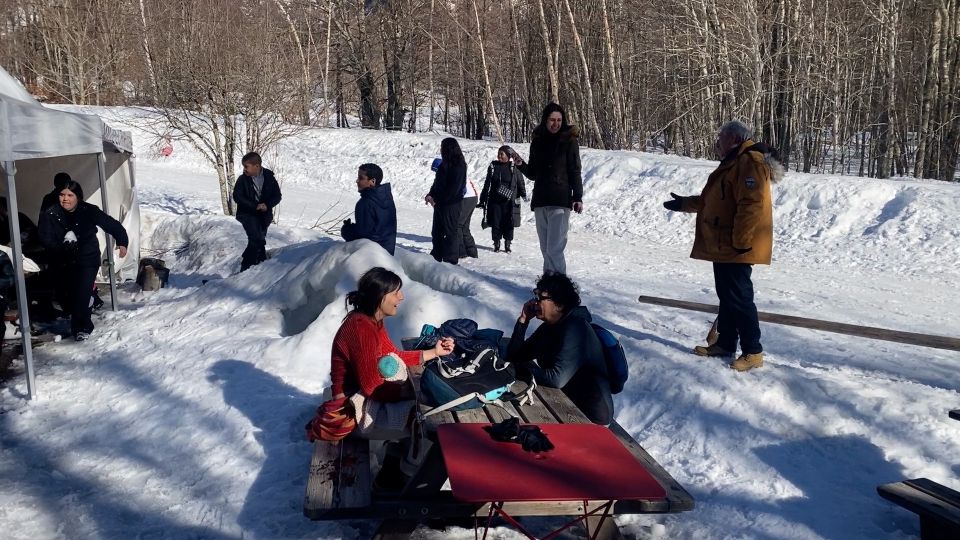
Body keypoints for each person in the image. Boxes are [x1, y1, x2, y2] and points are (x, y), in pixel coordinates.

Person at [662, 120, 782, 372]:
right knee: (727, 296)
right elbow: (713, 202)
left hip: (738, 245)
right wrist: (685, 204)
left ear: (734, 139)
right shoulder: (734, 161)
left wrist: (740, 242)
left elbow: (751, 205)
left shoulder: (749, 162)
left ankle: (753, 351)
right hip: (726, 243)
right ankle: (726, 343)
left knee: (740, 298)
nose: (717, 142)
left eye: (721, 138)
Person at [329, 267, 454, 490]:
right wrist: (410, 393)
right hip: (350, 411)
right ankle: (410, 488)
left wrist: (434, 353)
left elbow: (395, 355)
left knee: (417, 412)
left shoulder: (371, 322)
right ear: (380, 296)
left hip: (359, 400)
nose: (401, 297)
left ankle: (393, 474)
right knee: (424, 426)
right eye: (396, 292)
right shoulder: (361, 329)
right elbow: (372, 387)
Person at [506, 273, 612, 425]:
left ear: (560, 304)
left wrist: (517, 370)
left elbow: (556, 379)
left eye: (539, 298)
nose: (534, 302)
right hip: (565, 404)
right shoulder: (550, 327)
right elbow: (516, 356)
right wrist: (523, 321)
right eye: (535, 296)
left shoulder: (575, 329)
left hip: (592, 418)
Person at [38, 180, 128, 341]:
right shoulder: (50, 213)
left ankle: (82, 327)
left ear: (78, 197)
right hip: (63, 261)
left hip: (87, 259)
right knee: (69, 296)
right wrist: (61, 246)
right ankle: (86, 304)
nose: (65, 199)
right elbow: (45, 237)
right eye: (62, 195)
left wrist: (122, 241)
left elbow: (111, 225)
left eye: (70, 195)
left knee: (81, 295)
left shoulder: (89, 211)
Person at [512, 103, 583, 275]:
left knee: (555, 248)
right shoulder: (537, 141)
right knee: (545, 249)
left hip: (560, 200)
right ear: (545, 120)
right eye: (552, 120)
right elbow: (534, 173)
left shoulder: (569, 141)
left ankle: (560, 289)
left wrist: (577, 196)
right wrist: (521, 165)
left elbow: (575, 170)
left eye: (559, 120)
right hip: (541, 200)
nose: (555, 124)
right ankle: (548, 285)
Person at [232, 152, 282, 271]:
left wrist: (267, 205)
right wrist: (255, 206)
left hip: (264, 216)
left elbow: (277, 196)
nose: (244, 169)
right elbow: (237, 196)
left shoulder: (269, 177)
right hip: (247, 214)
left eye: (246, 166)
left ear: (257, 166)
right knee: (257, 239)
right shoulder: (242, 179)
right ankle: (245, 269)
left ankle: (259, 267)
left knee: (258, 240)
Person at [425, 138, 467, 265]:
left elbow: (454, 188)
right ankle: (436, 255)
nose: (441, 149)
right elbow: (437, 183)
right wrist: (430, 194)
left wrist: (438, 200)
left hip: (451, 204)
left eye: (443, 147)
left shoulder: (459, 165)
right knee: (436, 232)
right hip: (439, 204)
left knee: (450, 232)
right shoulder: (444, 164)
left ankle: (451, 260)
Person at [341, 163, 398, 255]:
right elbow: (376, 230)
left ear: (372, 181)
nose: (357, 181)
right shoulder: (387, 199)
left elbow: (363, 235)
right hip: (387, 257)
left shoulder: (365, 203)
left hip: (370, 259)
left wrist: (347, 230)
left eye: (361, 178)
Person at [479, 145, 527, 253]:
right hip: (495, 200)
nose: (499, 156)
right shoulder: (493, 166)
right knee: (496, 222)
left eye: (502, 154)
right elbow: (487, 183)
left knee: (509, 222)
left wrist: (523, 194)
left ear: (508, 156)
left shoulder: (513, 167)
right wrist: (482, 199)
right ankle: (496, 243)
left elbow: (520, 181)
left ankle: (507, 243)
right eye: (498, 153)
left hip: (509, 200)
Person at [458, 179, 479, 259]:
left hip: (467, 197)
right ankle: (472, 252)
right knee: (464, 227)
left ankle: (461, 252)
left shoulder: (453, 169)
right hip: (472, 197)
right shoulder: (457, 168)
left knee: (458, 225)